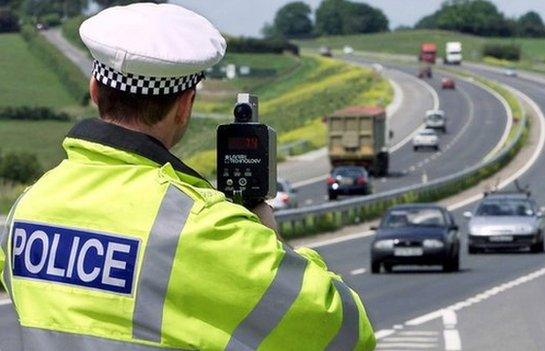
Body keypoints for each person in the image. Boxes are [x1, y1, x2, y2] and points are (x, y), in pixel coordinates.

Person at [0, 3, 375, 350]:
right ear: (185, 106)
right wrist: (271, 241)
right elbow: (344, 333)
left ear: (94, 90)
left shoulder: (27, 209)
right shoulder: (202, 228)